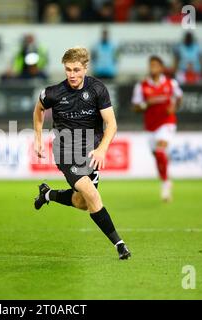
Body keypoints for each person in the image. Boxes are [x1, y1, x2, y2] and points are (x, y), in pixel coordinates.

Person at [33, 47, 131, 260]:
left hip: (91, 152)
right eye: (68, 69)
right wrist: (38, 138)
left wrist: (102, 149)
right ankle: (120, 245)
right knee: (93, 196)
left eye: (76, 69)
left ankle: (47, 194)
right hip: (65, 151)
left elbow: (111, 124)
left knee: (82, 202)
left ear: (85, 68)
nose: (72, 75)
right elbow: (38, 109)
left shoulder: (98, 89)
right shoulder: (54, 93)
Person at [131, 56, 183, 202]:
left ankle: (165, 184)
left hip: (167, 122)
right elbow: (135, 107)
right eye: (151, 65)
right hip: (150, 126)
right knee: (157, 155)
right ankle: (165, 178)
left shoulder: (171, 83)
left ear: (161, 68)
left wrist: (174, 106)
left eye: (155, 65)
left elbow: (179, 97)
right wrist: (146, 104)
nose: (153, 67)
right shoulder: (141, 86)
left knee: (160, 151)